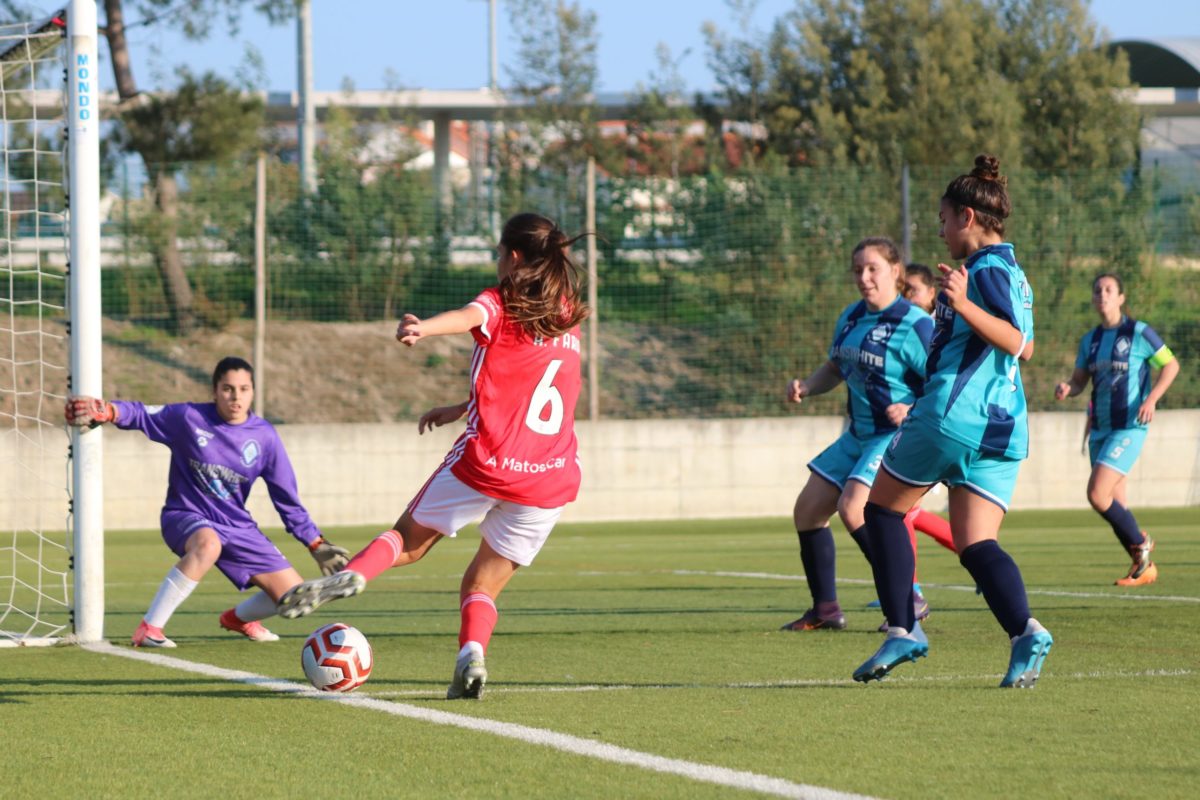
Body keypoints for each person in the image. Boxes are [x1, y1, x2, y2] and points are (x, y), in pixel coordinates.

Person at [275, 212, 589, 701]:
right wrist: (463, 407)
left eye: (498, 254)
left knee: (408, 539)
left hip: (488, 462)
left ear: (512, 257)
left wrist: (423, 328)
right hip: (549, 478)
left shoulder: (500, 302)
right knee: (481, 583)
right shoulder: (565, 316)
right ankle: (472, 655)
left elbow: (468, 317)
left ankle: (356, 573)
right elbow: (534, 388)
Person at [852, 154, 1052, 688]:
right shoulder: (1012, 270)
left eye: (943, 219)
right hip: (1001, 431)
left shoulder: (985, 270)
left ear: (967, 217)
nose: (939, 231)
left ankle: (903, 629)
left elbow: (1020, 344)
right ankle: (1025, 632)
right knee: (975, 543)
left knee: (881, 512)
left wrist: (962, 305)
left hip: (953, 416)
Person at [64, 357, 348, 648]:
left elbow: (286, 498)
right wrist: (109, 410)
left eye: (244, 389)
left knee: (294, 596)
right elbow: (141, 413)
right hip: (185, 515)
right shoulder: (189, 418)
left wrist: (315, 543)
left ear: (253, 392)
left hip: (237, 525)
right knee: (209, 544)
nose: (236, 397)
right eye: (228, 388)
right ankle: (149, 628)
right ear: (215, 391)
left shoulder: (265, 437)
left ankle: (238, 619)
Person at [781, 237, 933, 632]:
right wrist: (807, 386)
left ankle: (908, 598)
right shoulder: (850, 316)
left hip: (894, 437)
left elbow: (945, 382)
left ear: (895, 272)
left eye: (872, 269)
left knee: (854, 508)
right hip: (858, 435)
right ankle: (826, 610)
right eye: (857, 270)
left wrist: (912, 408)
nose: (863, 277)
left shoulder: (916, 324)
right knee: (808, 511)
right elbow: (836, 367)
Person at [1054, 273, 1179, 585]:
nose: (1102, 294)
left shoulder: (1138, 332)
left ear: (1121, 297)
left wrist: (1151, 399)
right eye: (1097, 290)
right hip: (1100, 429)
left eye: (1109, 290)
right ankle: (1143, 567)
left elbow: (1171, 365)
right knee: (1116, 504)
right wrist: (1068, 387)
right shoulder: (1090, 340)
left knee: (1097, 494)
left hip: (1128, 427)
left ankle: (1141, 542)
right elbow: (1080, 381)